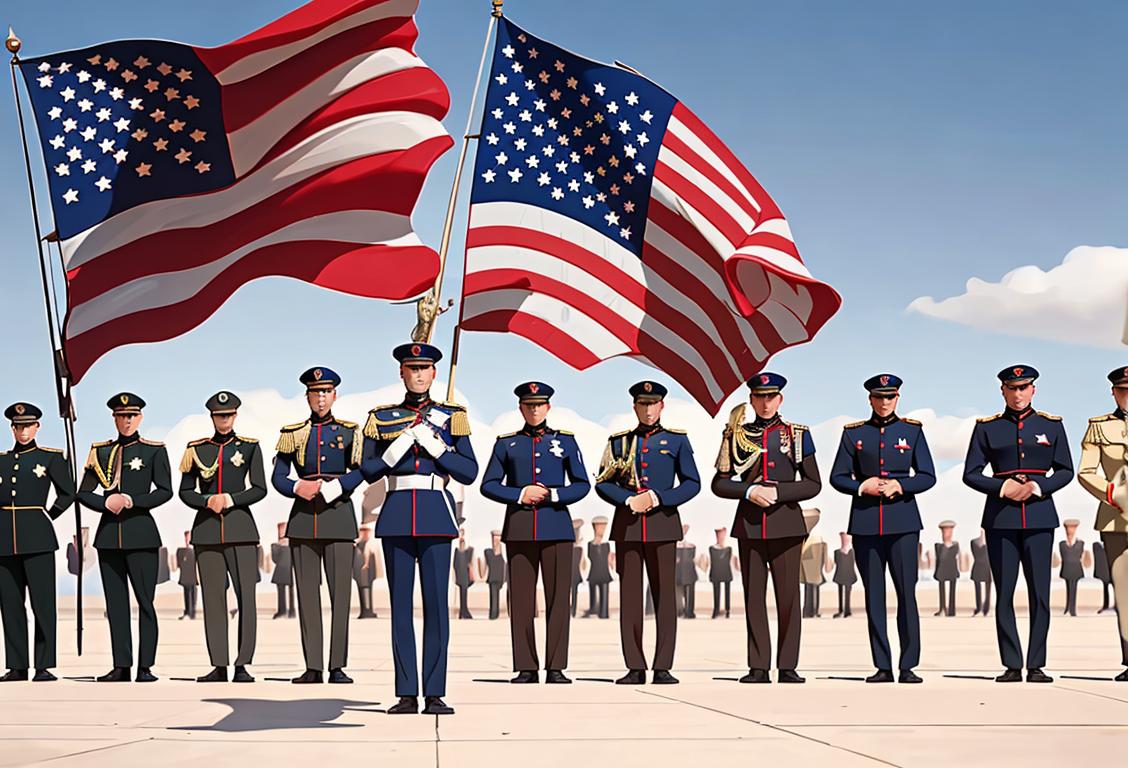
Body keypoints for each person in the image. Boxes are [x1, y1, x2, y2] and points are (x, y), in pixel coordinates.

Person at [362, 343, 477, 715]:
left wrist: (437, 448)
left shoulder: (452, 417)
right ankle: (407, 692)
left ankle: (436, 691)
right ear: (401, 373)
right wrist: (394, 451)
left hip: (435, 513)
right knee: (399, 608)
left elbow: (469, 472)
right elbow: (367, 469)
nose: (418, 375)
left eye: (424, 369)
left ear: (434, 374)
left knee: (436, 608)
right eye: (412, 369)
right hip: (396, 512)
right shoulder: (382, 417)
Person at [962, 365, 1073, 684]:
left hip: (1039, 516)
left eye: (1024, 387)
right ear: (1002, 391)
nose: (1018, 393)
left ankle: (1036, 664)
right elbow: (970, 473)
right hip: (1001, 518)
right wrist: (1002, 487)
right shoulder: (986, 428)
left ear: (1033, 390)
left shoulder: (1051, 426)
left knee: (1040, 593)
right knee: (1005, 592)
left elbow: (1065, 470)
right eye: (1012, 388)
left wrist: (1038, 487)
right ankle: (1012, 663)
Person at [712, 372, 821, 684]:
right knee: (754, 599)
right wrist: (748, 491)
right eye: (759, 396)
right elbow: (719, 483)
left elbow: (814, 483)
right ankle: (758, 666)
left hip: (787, 525)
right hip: (749, 526)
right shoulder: (735, 434)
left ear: (780, 399)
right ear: (751, 399)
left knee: (788, 598)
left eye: (771, 396)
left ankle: (788, 666)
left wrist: (779, 492)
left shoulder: (797, 435)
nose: (765, 402)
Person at [480, 381, 589, 685]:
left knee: (558, 600)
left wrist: (553, 495)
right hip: (519, 529)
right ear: (521, 408)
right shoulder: (506, 443)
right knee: (522, 601)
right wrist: (519, 494)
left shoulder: (565, 442)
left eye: (539, 405)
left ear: (548, 407)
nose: (534, 410)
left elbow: (581, 484)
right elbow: (488, 484)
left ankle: (556, 666)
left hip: (557, 527)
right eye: (529, 405)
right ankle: (526, 666)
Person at [830, 374, 935, 684]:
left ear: (897, 398)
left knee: (906, 593)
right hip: (865, 524)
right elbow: (838, 476)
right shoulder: (854, 434)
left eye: (890, 397)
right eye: (879, 397)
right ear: (870, 399)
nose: (885, 402)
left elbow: (927, 475)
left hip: (903, 523)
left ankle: (908, 665)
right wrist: (862, 485)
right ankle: (882, 666)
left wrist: (900, 485)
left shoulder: (912, 432)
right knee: (874, 596)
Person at [595, 380, 700, 684]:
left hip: (663, 526)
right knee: (630, 600)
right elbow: (602, 482)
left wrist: (658, 497)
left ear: (662, 406)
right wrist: (628, 499)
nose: (648, 409)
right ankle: (635, 666)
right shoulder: (619, 442)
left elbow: (692, 483)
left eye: (653, 403)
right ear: (635, 406)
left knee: (665, 597)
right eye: (643, 403)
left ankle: (663, 666)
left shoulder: (677, 441)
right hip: (628, 527)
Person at [272, 366, 366, 685]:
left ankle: (337, 665)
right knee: (307, 597)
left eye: (326, 392)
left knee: (341, 596)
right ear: (307, 396)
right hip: (303, 521)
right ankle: (313, 666)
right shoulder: (293, 433)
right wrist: (297, 487)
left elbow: (362, 469)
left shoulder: (351, 432)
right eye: (316, 392)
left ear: (335, 395)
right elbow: (278, 476)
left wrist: (336, 487)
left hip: (339, 517)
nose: (321, 398)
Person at [78, 393, 172, 683]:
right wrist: (104, 503)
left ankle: (145, 666)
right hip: (108, 538)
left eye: (132, 415)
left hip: (141, 535)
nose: (127, 420)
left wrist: (132, 500)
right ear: (114, 418)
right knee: (115, 605)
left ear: (140, 418)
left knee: (145, 602)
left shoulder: (154, 451)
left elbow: (164, 490)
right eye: (122, 416)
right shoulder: (101, 452)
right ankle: (122, 665)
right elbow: (83, 492)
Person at [179, 391, 266, 683]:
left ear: (236, 416)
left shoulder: (250, 448)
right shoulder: (196, 449)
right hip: (207, 532)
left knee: (246, 599)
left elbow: (259, 488)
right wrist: (206, 502)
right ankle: (218, 664)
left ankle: (242, 663)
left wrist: (229, 499)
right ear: (212, 417)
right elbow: (186, 490)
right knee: (213, 601)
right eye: (219, 415)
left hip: (241, 530)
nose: (223, 420)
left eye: (228, 415)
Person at [0, 402, 75, 682]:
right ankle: (17, 665)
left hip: (40, 538)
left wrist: (47, 516)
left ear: (37, 427)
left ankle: (44, 665)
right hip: (4, 540)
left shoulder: (52, 458)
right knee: (10, 604)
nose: (23, 431)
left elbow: (68, 493)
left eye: (28, 426)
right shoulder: (2, 460)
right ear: (12, 428)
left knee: (42, 603)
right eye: (18, 426)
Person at [1079, 368, 1128, 677]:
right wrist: (1113, 493)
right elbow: (1086, 471)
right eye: (1123, 390)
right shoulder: (1098, 427)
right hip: (1116, 517)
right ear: (1114, 392)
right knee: (1124, 592)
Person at [928, 521, 960, 617]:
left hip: (952, 569)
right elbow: (939, 559)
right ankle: (942, 608)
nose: (946, 533)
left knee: (952, 590)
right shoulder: (938, 546)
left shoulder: (955, 546)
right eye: (944, 531)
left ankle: (951, 610)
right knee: (941, 589)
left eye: (948, 531)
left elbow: (956, 558)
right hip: (942, 570)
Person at [1054, 519, 1086, 617]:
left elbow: (1080, 555)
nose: (1070, 531)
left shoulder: (1080, 543)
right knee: (1068, 588)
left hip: (1076, 569)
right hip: (1067, 568)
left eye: (1072, 528)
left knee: (1074, 588)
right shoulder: (1062, 544)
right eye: (1068, 528)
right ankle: (1068, 607)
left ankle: (1072, 609)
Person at [585, 517, 613, 619]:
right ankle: (593, 610)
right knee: (593, 591)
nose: (601, 530)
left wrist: (613, 567)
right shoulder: (590, 544)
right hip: (594, 572)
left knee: (604, 594)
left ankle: (604, 613)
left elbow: (609, 558)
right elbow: (590, 557)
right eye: (599, 527)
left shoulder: (606, 545)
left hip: (604, 572)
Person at [268, 522, 296, 619]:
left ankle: (291, 610)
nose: (281, 532)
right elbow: (274, 559)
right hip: (281, 571)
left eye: (283, 530)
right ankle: (283, 610)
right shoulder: (277, 545)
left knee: (291, 592)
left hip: (287, 570)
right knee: (283, 592)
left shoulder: (291, 544)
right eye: (280, 530)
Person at [708, 528, 736, 620]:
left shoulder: (729, 549)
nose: (720, 537)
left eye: (722, 535)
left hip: (726, 572)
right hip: (716, 572)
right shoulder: (712, 548)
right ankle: (716, 610)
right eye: (718, 535)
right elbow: (710, 561)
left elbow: (732, 560)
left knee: (727, 591)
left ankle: (727, 610)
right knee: (716, 591)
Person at [353, 526, 380, 619]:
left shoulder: (367, 544)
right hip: (361, 573)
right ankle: (365, 610)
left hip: (366, 573)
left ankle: (367, 610)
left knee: (366, 590)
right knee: (364, 590)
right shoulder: (359, 545)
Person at [480, 530, 507, 620]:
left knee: (497, 597)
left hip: (500, 577)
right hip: (492, 578)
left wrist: (505, 578)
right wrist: (481, 574)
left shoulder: (502, 552)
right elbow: (484, 565)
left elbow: (504, 564)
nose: (495, 541)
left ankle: (495, 614)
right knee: (493, 597)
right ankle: (493, 615)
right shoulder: (488, 552)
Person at [800, 534, 828, 619]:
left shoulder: (816, 539)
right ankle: (811, 612)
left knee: (811, 588)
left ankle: (811, 612)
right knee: (811, 588)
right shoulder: (816, 538)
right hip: (811, 564)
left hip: (812, 564)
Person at [172, 532, 197, 620]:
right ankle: (187, 612)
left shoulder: (195, 550)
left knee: (192, 594)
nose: (187, 540)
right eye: (186, 538)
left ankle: (192, 613)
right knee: (187, 593)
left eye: (188, 538)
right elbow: (177, 565)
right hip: (185, 577)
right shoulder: (182, 551)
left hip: (193, 577)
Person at [675, 527, 698, 619]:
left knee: (689, 595)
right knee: (680, 594)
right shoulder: (678, 545)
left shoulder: (691, 546)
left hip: (689, 574)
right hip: (680, 574)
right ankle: (682, 611)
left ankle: (689, 612)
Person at [832, 532, 857, 618]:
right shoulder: (837, 552)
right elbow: (836, 563)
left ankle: (847, 611)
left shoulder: (852, 552)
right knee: (840, 592)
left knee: (847, 592)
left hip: (849, 575)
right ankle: (841, 610)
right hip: (840, 575)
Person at [453, 528, 475, 620]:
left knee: (464, 593)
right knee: (462, 593)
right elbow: (454, 565)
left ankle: (464, 611)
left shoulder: (469, 550)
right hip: (460, 575)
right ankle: (463, 611)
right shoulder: (457, 551)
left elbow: (470, 564)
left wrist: (472, 574)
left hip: (465, 576)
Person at [969, 529, 992, 616]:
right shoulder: (974, 542)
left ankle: (987, 609)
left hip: (987, 568)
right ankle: (979, 608)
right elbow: (976, 553)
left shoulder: (990, 541)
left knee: (988, 590)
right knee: (978, 589)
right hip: (977, 567)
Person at [569, 519, 585, 618]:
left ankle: (571, 611)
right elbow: (583, 564)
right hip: (576, 573)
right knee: (574, 593)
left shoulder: (569, 548)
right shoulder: (580, 549)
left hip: (570, 573)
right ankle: (573, 611)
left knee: (569, 593)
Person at [1093, 541, 1113, 614]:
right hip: (1105, 573)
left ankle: (1113, 605)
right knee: (1106, 588)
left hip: (1111, 570)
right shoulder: (1097, 546)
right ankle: (1106, 605)